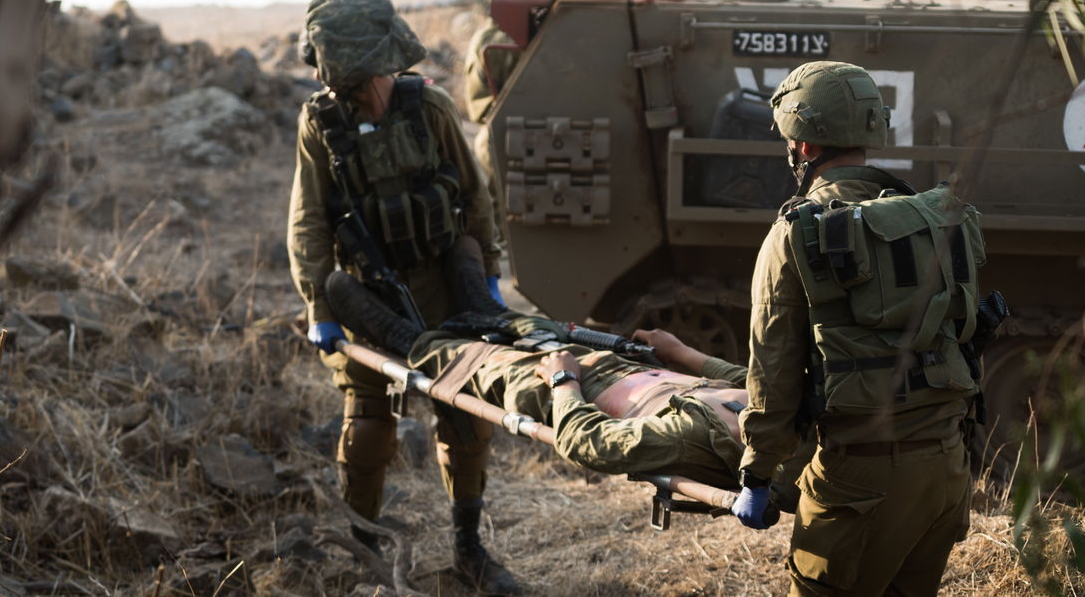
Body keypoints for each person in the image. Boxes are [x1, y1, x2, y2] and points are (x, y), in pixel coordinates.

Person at [285, 0, 516, 594]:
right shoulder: (321, 123)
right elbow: (308, 219)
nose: (363, 92)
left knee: (464, 420)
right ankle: (364, 552)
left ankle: (469, 548)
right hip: (367, 297)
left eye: (368, 78)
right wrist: (319, 307)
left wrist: (486, 274)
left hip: (442, 285)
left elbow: (474, 195)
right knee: (368, 429)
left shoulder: (429, 106)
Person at [732, 61, 985, 596]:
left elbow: (773, 369)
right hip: (946, 472)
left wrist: (757, 475)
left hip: (861, 481)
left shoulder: (795, 233)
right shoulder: (932, 216)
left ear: (802, 147)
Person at [323, 259, 806, 509]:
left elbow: (588, 443)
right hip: (624, 363)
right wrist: (683, 352)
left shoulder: (692, 439)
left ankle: (404, 336)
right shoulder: (779, 411)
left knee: (476, 359)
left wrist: (562, 381)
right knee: (536, 328)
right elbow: (739, 377)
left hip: (562, 388)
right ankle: (491, 310)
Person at [461, 0, 535, 221]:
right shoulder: (495, 38)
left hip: (499, 133)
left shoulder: (493, 33)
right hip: (498, 136)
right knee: (505, 217)